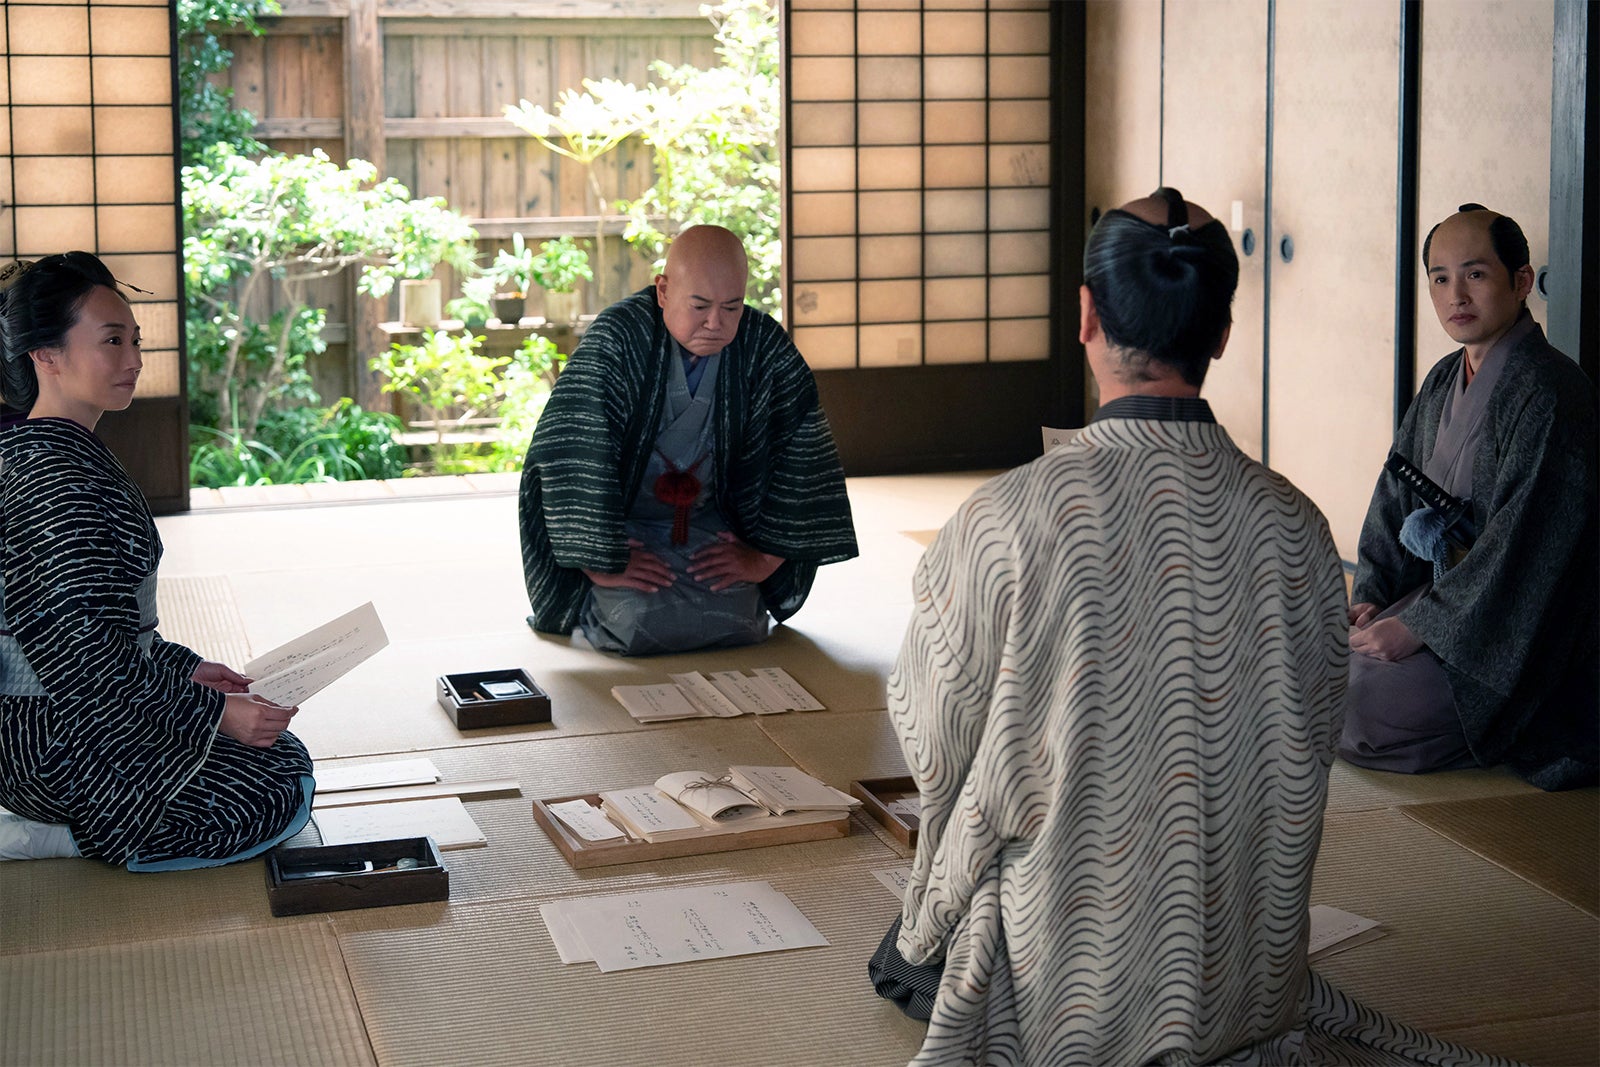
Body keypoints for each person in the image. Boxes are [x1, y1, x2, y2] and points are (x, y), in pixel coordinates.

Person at [868, 190, 1504, 1065]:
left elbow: (935, 743)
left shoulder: (1005, 518)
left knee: (916, 946)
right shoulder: (1297, 525)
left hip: (1068, 984)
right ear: (1223, 333)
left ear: (1086, 316)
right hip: (1247, 971)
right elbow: (1313, 738)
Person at [0, 252, 313, 867]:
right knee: (269, 791)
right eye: (112, 341)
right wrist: (216, 713)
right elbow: (81, 663)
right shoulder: (52, 477)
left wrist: (186, 671)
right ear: (46, 355)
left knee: (278, 758)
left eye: (136, 341)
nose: (135, 360)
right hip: (47, 733)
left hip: (73, 706)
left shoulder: (56, 453)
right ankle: (53, 835)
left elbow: (106, 635)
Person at [1341, 204, 1598, 790]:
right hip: (1445, 604)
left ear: (1521, 281)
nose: (1455, 293)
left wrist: (1419, 628)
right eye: (1439, 277)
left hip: (1511, 634)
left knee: (1357, 705)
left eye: (1475, 274)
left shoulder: (1552, 391)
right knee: (1312, 669)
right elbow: (1394, 496)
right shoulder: (1440, 379)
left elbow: (1528, 550)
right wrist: (1375, 596)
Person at [518, 225, 857, 655]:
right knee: (640, 620)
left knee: (741, 620)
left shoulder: (763, 346)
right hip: (624, 533)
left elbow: (804, 454)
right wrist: (602, 563)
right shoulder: (618, 339)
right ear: (663, 291)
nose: (715, 323)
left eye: (732, 307)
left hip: (713, 528)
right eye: (699, 305)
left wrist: (761, 559)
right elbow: (568, 449)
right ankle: (597, 595)